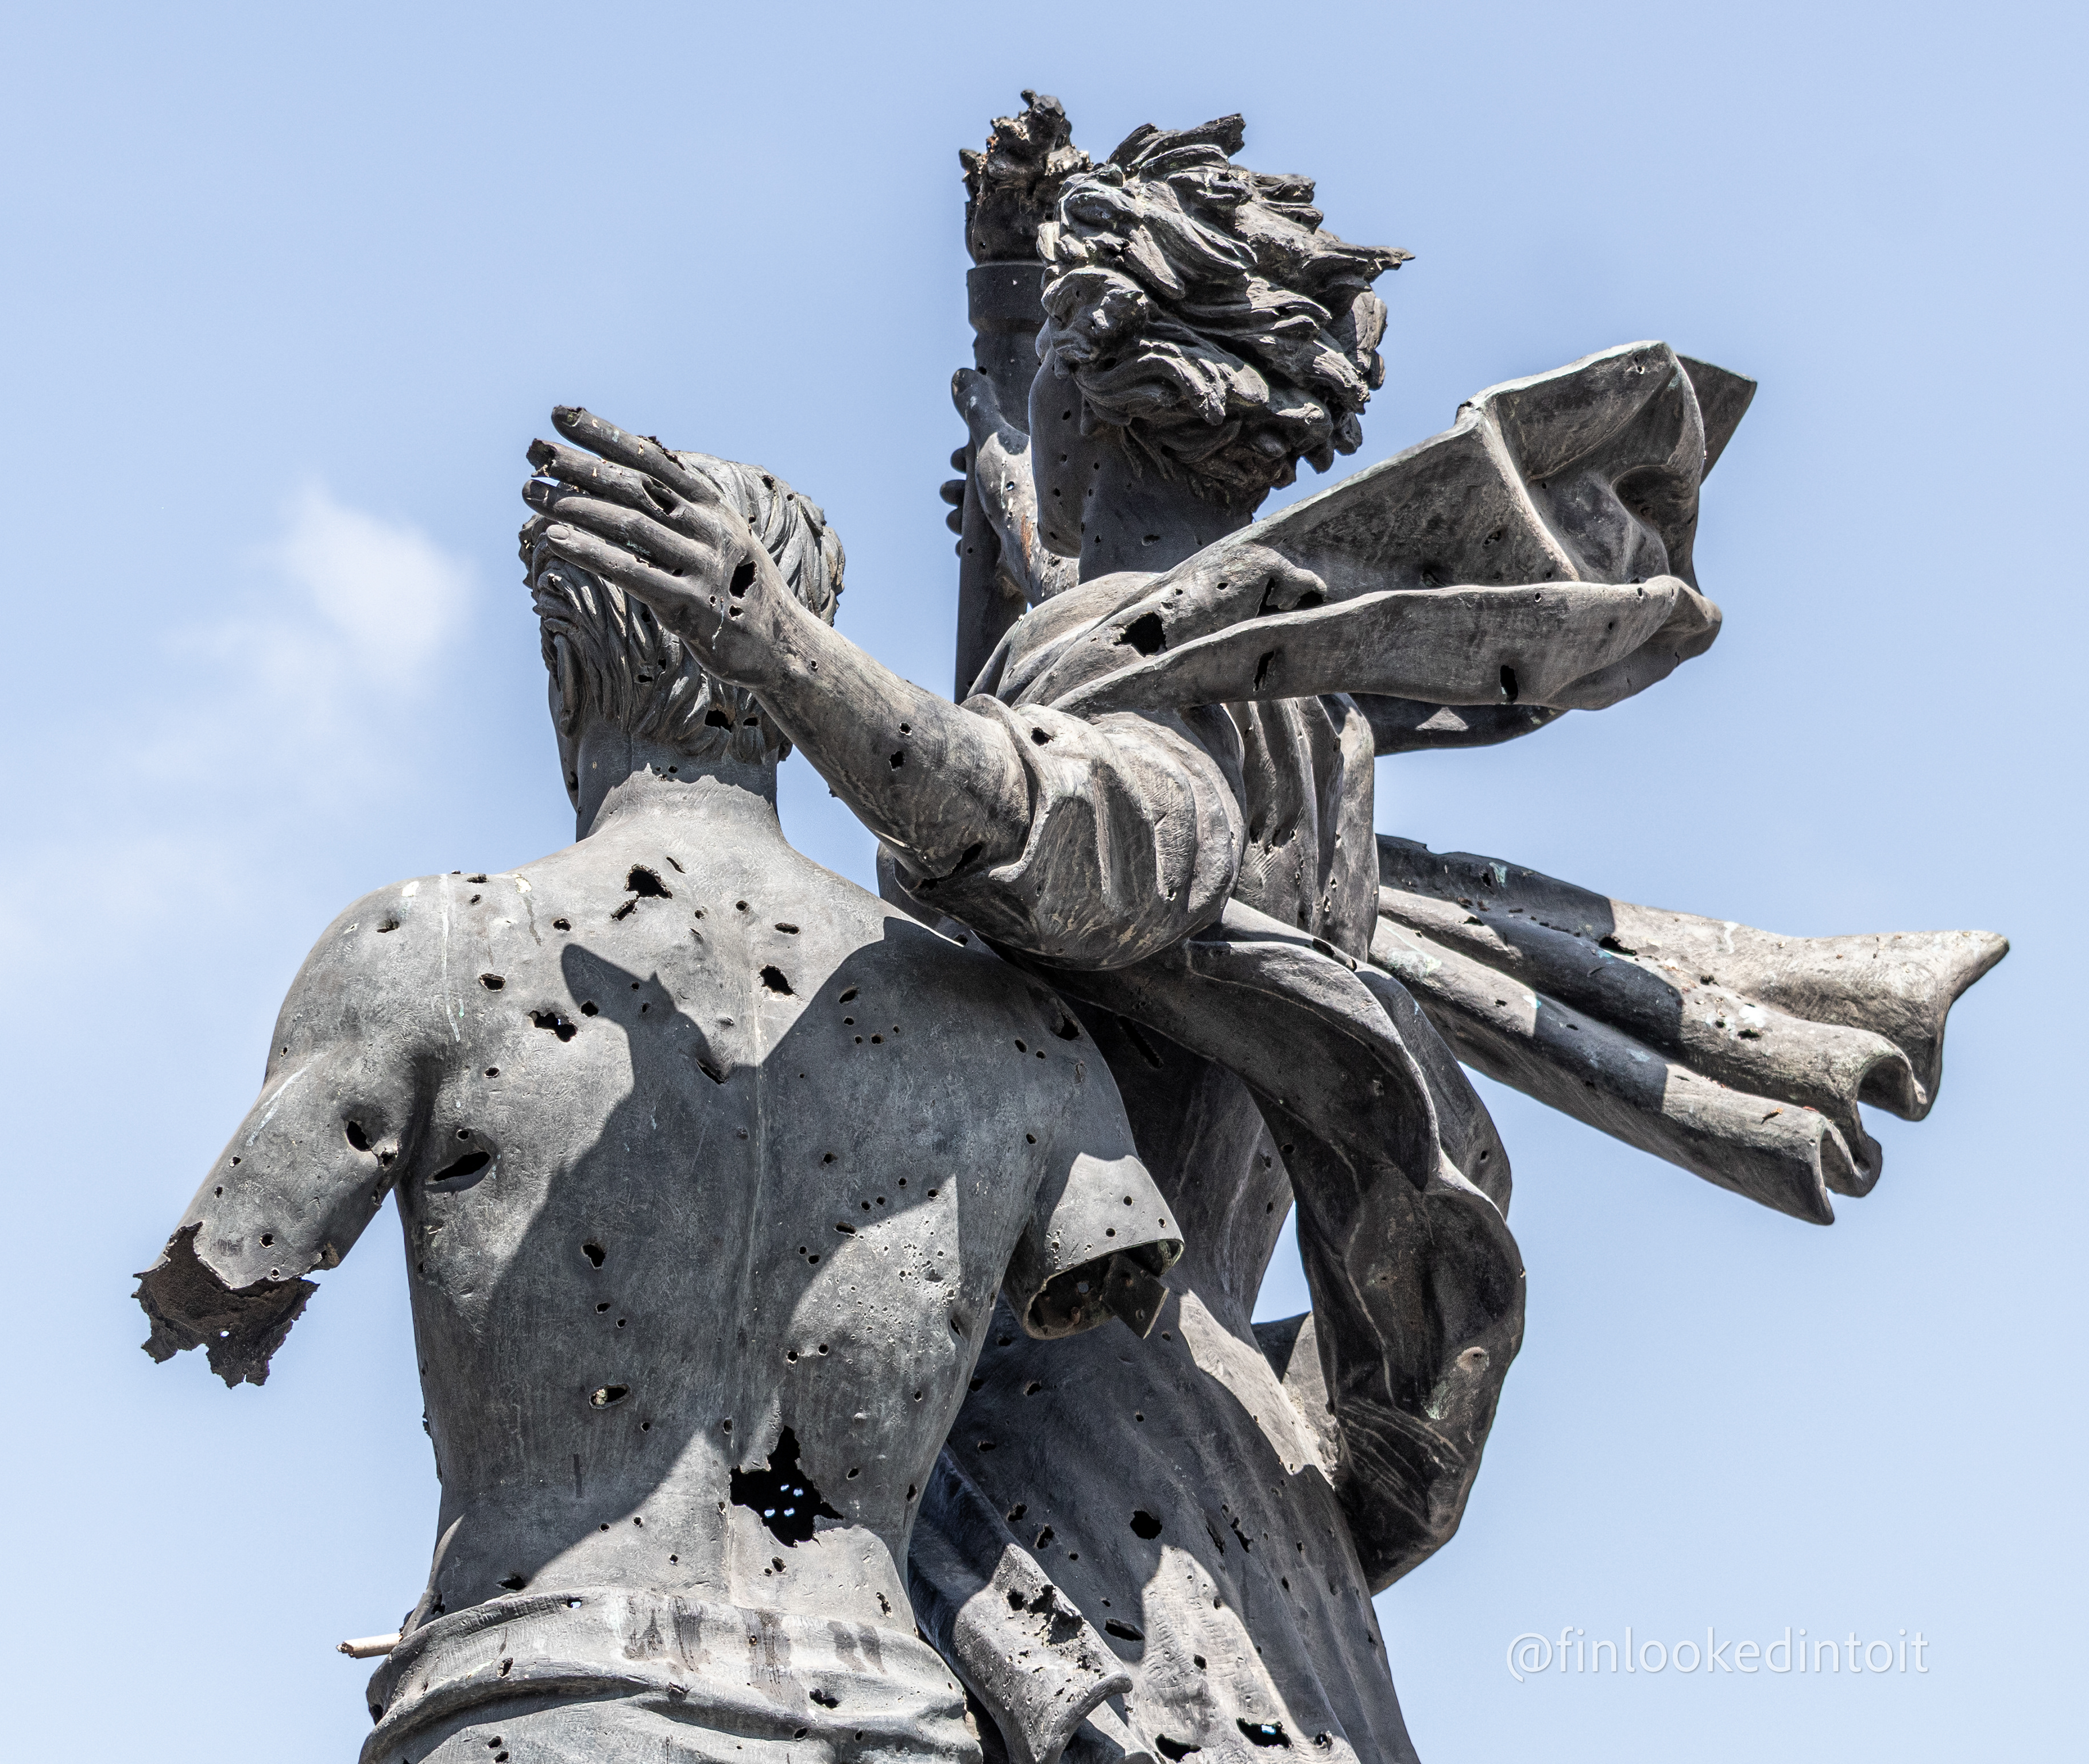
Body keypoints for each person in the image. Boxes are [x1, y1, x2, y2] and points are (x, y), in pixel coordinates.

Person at [535, 107, 2001, 1764]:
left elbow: (1061, 828)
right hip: (1193, 1452)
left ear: (1088, 388)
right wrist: (1008, 293)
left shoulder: (1169, 700)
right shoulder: (1248, 667)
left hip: (1064, 1457)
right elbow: (1031, 629)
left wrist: (776, 644)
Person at [134, 449, 1185, 1764]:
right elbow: (1107, 1295)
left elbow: (224, 1279)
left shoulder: (430, 951)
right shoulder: (1017, 1031)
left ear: (566, 672)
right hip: (882, 1720)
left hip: (534, 1703)